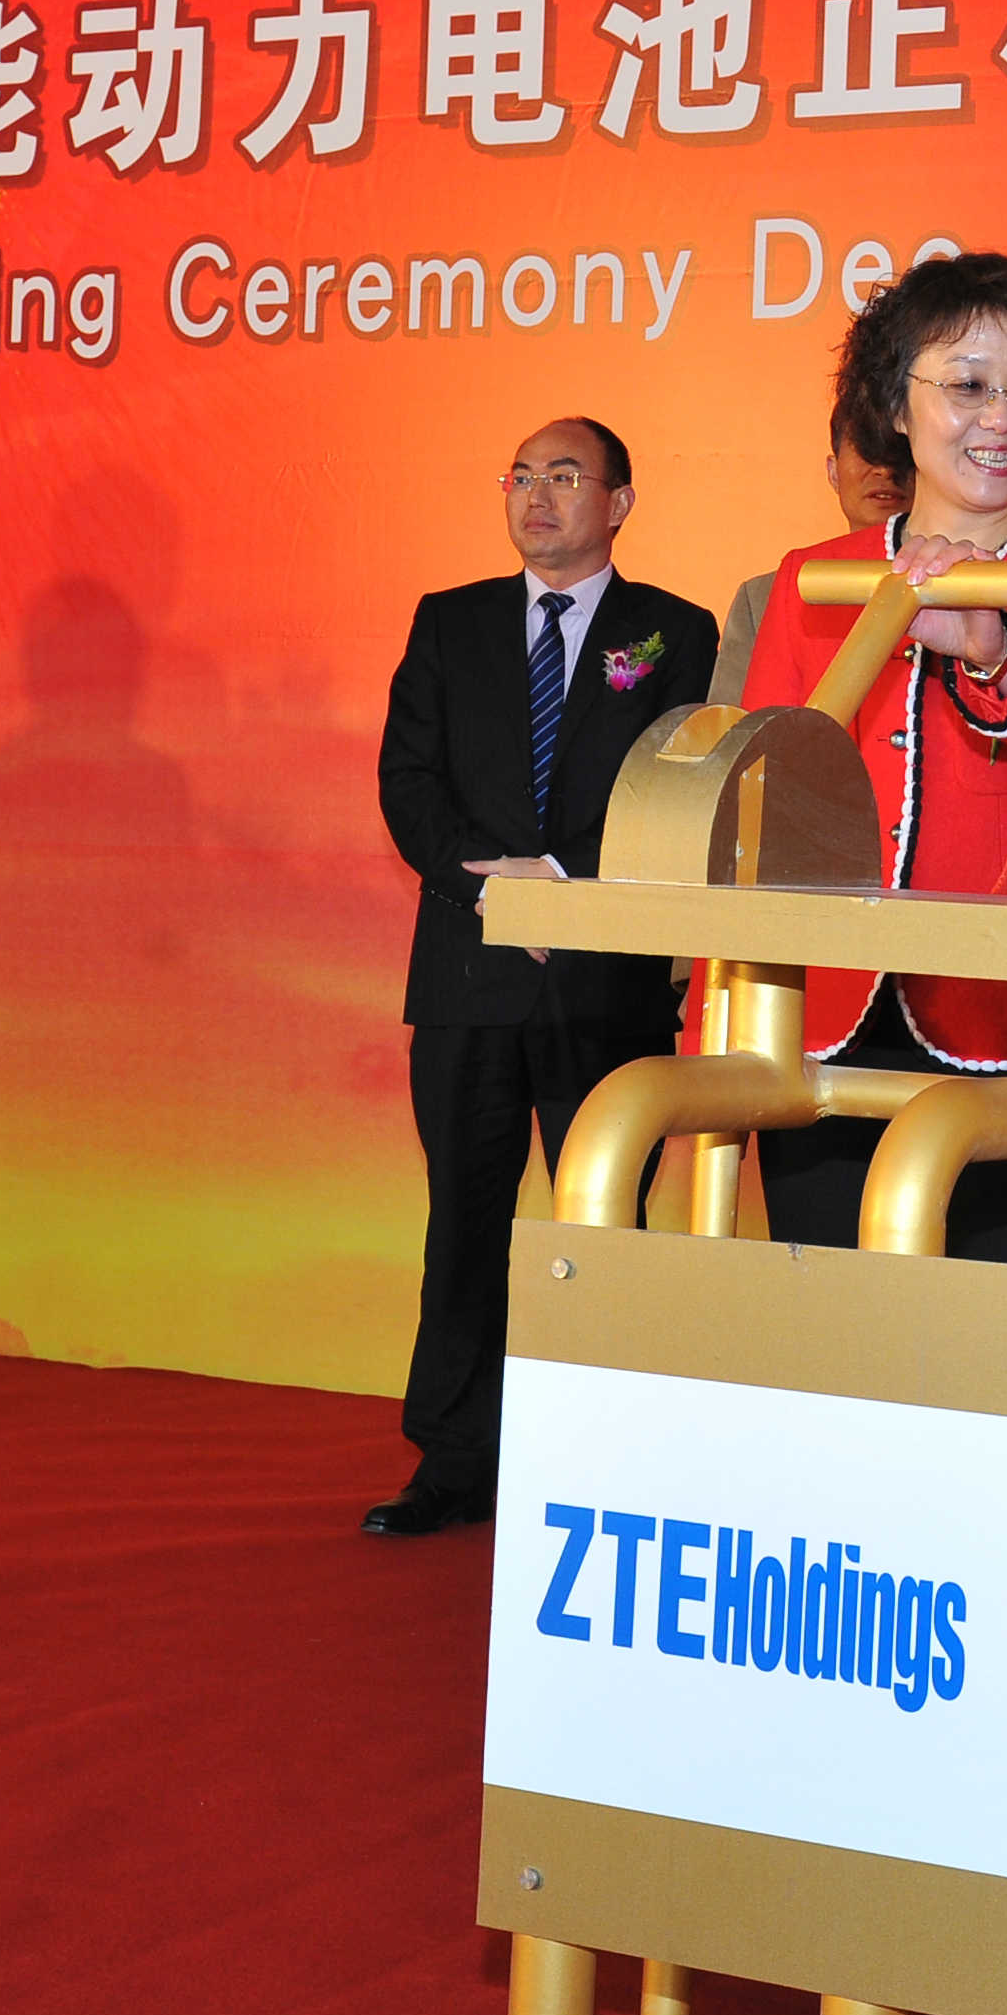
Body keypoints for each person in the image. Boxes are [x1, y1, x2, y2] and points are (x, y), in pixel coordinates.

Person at [366, 418, 719, 1534]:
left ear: (619, 503)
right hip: (468, 969)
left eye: (565, 476)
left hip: (600, 977)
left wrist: (561, 883)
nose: (537, 496)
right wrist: (491, 888)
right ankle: (453, 1459)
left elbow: (673, 785)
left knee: (602, 1224)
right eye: (521, 476)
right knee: (464, 1223)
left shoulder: (674, 631)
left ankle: (606, 1460)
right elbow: (408, 778)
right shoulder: (451, 620)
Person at [741, 251, 1007, 1267]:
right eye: (966, 385)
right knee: (835, 1331)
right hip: (828, 1019)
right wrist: (723, 1020)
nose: (1000, 418)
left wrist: (992, 655)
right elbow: (764, 816)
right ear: (894, 406)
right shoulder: (814, 578)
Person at [712, 410, 906, 705]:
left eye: (898, 452)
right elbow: (735, 726)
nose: (883, 470)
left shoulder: (962, 583)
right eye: (867, 450)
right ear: (833, 472)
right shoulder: (763, 597)